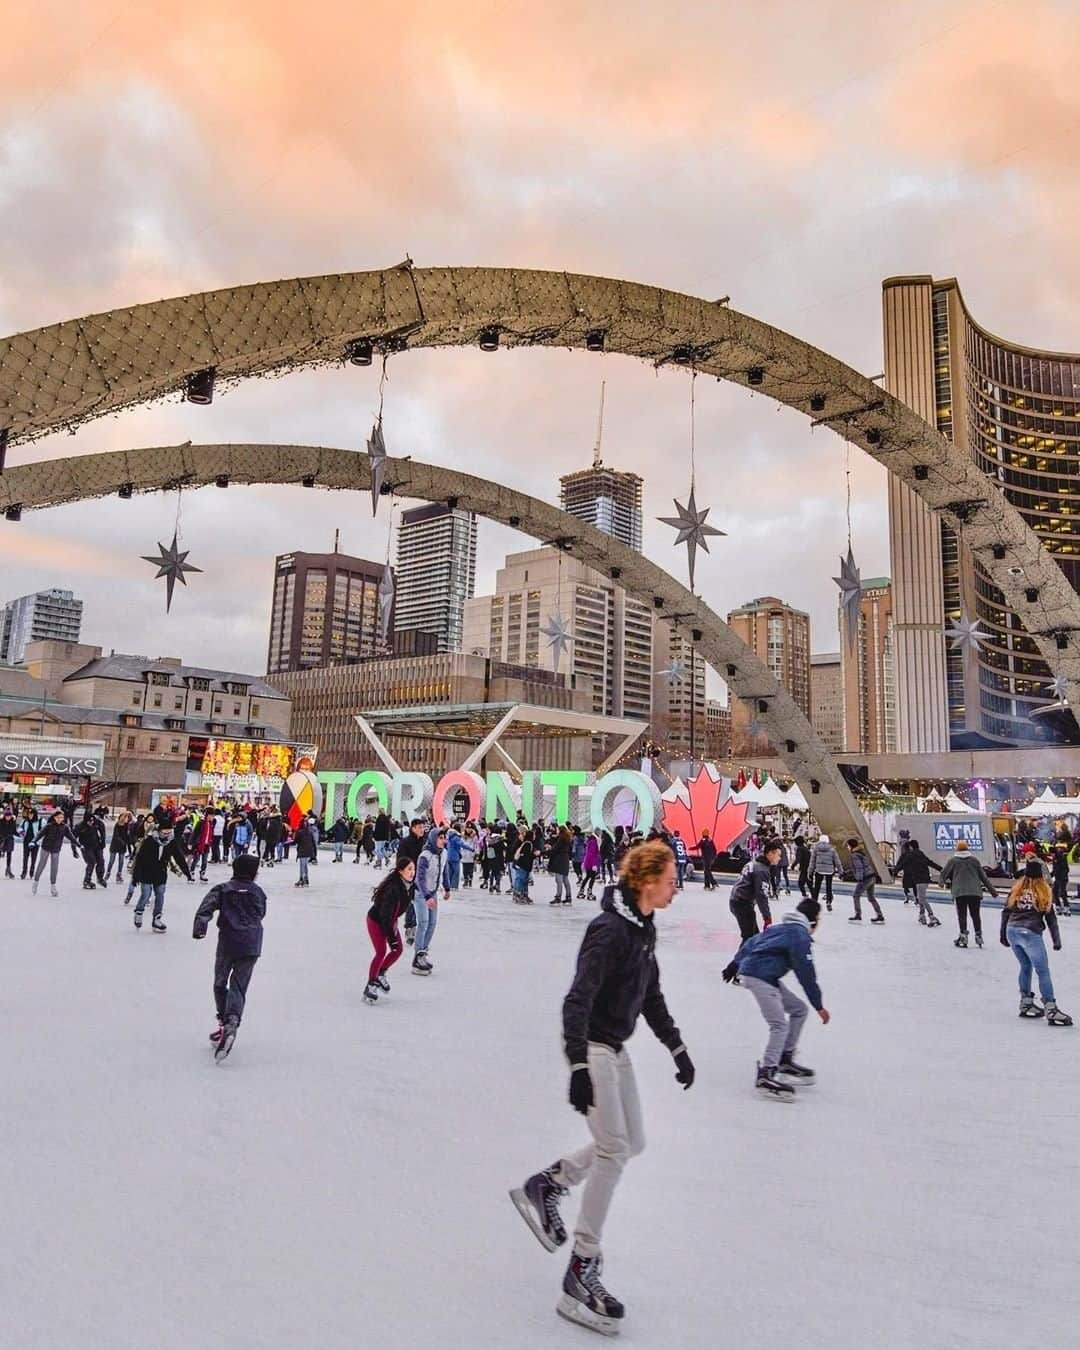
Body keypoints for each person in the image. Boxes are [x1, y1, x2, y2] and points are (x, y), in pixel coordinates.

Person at [509, 841, 693, 1336]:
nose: (678, 886)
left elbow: (649, 994)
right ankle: (581, 1268)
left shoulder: (641, 929)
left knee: (632, 1142)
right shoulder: (610, 930)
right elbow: (578, 998)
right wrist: (576, 1066)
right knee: (614, 1148)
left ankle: (549, 1182)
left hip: (615, 1046)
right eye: (672, 878)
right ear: (646, 880)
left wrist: (677, 1048)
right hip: (592, 1047)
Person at [724, 898, 829, 1100]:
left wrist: (733, 964)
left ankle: (785, 1058)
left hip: (765, 975)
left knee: (799, 1010)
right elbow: (806, 972)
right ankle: (767, 1072)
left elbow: (751, 942)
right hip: (759, 976)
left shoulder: (781, 928)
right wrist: (819, 1005)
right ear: (813, 920)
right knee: (779, 1024)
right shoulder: (800, 935)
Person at [193, 852, 268, 1062]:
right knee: (238, 987)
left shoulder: (223, 889)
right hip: (252, 942)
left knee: (220, 983)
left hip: (229, 941)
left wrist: (200, 928)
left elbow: (205, 909)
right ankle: (231, 1024)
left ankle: (224, 1022)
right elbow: (261, 912)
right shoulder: (258, 892)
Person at [1001, 859, 1071, 1025]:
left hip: (1013, 931)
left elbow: (1006, 912)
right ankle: (1051, 1008)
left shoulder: (1016, 890)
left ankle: (1026, 1002)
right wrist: (1057, 941)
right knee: (1043, 971)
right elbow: (1051, 919)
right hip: (1030, 933)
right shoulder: (1044, 892)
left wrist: (1003, 935)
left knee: (1025, 967)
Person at [363, 854, 415, 1004]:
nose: (412, 872)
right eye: (409, 869)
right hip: (376, 921)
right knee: (381, 952)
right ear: (400, 871)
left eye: (413, 869)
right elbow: (385, 914)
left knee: (397, 950)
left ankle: (381, 973)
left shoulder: (408, 886)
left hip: (390, 922)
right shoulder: (393, 889)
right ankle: (371, 984)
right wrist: (391, 936)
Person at [131, 823, 191, 931]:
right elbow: (139, 859)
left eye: (169, 832)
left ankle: (157, 919)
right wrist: (135, 876)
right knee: (146, 894)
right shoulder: (149, 841)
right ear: (159, 831)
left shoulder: (171, 842)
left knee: (160, 894)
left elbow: (179, 857)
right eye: (164, 832)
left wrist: (187, 872)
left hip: (160, 873)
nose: (166, 835)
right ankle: (139, 912)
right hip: (146, 872)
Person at [939, 839, 998, 948]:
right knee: (975, 914)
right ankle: (978, 936)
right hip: (975, 892)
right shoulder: (974, 860)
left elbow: (944, 874)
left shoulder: (953, 861)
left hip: (960, 892)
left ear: (956, 848)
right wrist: (993, 892)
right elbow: (983, 877)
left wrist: (941, 883)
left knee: (962, 915)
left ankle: (963, 936)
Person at [728, 843, 779, 940]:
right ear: (770, 854)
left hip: (737, 900)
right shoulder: (761, 870)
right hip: (742, 903)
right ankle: (743, 955)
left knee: (753, 937)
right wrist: (767, 918)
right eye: (778, 854)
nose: (779, 858)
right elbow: (761, 896)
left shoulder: (754, 863)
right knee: (750, 938)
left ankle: (750, 953)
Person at [412, 828, 445, 973]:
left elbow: (445, 870)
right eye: (440, 837)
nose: (443, 840)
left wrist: (447, 888)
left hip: (433, 893)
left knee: (432, 924)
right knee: (423, 923)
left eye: (444, 837)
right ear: (433, 839)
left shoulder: (443, 854)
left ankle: (423, 953)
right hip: (421, 894)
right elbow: (419, 879)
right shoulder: (425, 856)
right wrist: (426, 896)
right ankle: (417, 956)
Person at [891, 839, 942, 927]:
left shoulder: (910, 855)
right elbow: (930, 863)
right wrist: (941, 869)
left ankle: (931, 916)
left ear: (911, 847)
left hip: (919, 879)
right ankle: (922, 915)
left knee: (922, 898)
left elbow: (903, 864)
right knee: (920, 897)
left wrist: (895, 871)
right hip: (924, 878)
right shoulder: (920, 853)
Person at [31, 809, 79, 897]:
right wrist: (33, 841)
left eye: (62, 818)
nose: (60, 819)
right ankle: (35, 882)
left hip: (56, 849)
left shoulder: (65, 827)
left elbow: (71, 837)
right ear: (54, 818)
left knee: (54, 867)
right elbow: (39, 834)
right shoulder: (49, 826)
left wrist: (78, 845)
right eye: (58, 817)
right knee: (41, 864)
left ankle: (53, 886)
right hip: (46, 847)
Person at [397, 818, 427, 942]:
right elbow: (401, 859)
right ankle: (410, 927)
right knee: (410, 903)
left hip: (422, 877)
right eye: (420, 828)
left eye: (423, 828)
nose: (422, 830)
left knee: (420, 904)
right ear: (413, 828)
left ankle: (417, 929)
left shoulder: (425, 842)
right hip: (409, 877)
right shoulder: (405, 842)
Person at [846, 838, 885, 923]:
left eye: (848, 845)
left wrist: (860, 879)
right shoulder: (861, 853)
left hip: (865, 878)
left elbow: (859, 867)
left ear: (851, 846)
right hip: (871, 876)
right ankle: (880, 915)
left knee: (856, 895)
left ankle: (858, 915)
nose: (847, 847)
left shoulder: (854, 855)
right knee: (871, 897)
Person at [809, 834, 841, 911]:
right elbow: (837, 861)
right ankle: (828, 902)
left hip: (819, 870)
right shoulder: (832, 850)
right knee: (828, 887)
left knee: (817, 887)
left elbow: (812, 862)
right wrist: (841, 871)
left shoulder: (816, 849)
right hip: (829, 871)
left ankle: (814, 902)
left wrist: (810, 872)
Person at [104, 810, 134, 882]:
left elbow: (127, 836)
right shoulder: (118, 825)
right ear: (123, 818)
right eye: (126, 818)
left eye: (128, 818)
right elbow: (116, 836)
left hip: (122, 846)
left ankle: (119, 874)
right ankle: (108, 873)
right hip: (115, 845)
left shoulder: (127, 826)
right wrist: (123, 842)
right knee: (112, 860)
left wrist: (130, 844)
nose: (127, 819)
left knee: (121, 861)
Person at [547, 826, 573, 905]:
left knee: (559, 880)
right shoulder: (567, 839)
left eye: (557, 829)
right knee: (565, 879)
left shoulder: (561, 839)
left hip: (560, 861)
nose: (556, 831)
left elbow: (555, 849)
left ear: (560, 831)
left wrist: (544, 852)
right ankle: (568, 897)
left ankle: (558, 897)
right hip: (565, 860)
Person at [18, 806, 41, 880]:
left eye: (31, 814)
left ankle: (32, 871)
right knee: (25, 857)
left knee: (33, 858)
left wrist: (37, 841)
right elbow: (20, 828)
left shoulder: (40, 821)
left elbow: (43, 832)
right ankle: (24, 872)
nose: (30, 816)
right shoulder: (24, 821)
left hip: (35, 842)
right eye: (29, 814)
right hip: (26, 841)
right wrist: (21, 832)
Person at [294, 816, 316, 887]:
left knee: (302, 865)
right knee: (305, 865)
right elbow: (313, 842)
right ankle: (306, 879)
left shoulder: (299, 832)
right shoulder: (309, 832)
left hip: (302, 850)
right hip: (308, 850)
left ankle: (302, 879)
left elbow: (296, 840)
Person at [578, 831, 601, 900]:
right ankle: (589, 892)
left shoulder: (591, 841)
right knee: (592, 877)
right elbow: (592, 854)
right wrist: (594, 864)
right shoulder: (594, 842)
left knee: (588, 876)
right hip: (591, 863)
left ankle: (581, 891)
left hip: (588, 862)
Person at [1051, 843, 1072, 917]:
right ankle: (1058, 906)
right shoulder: (1055, 858)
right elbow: (1055, 869)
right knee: (1055, 891)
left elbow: (1066, 869)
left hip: (1063, 878)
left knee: (1062, 893)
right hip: (1057, 878)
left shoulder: (1062, 857)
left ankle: (1067, 907)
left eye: (1060, 848)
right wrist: (1051, 875)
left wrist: (1062, 876)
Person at [0, 804, 17, 879]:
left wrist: (21, 834)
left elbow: (14, 831)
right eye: (7, 816)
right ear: (4, 816)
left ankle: (8, 870)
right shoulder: (1, 821)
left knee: (9, 856)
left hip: (10, 840)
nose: (8, 817)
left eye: (9, 816)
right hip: (2, 840)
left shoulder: (12, 821)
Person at [460, 823, 478, 888]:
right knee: (465, 869)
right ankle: (465, 880)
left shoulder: (474, 836)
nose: (468, 829)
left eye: (470, 828)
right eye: (467, 828)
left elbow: (476, 845)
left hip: (471, 855)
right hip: (464, 854)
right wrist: (461, 852)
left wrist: (476, 853)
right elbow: (461, 845)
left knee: (470, 869)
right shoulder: (462, 836)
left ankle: (470, 880)